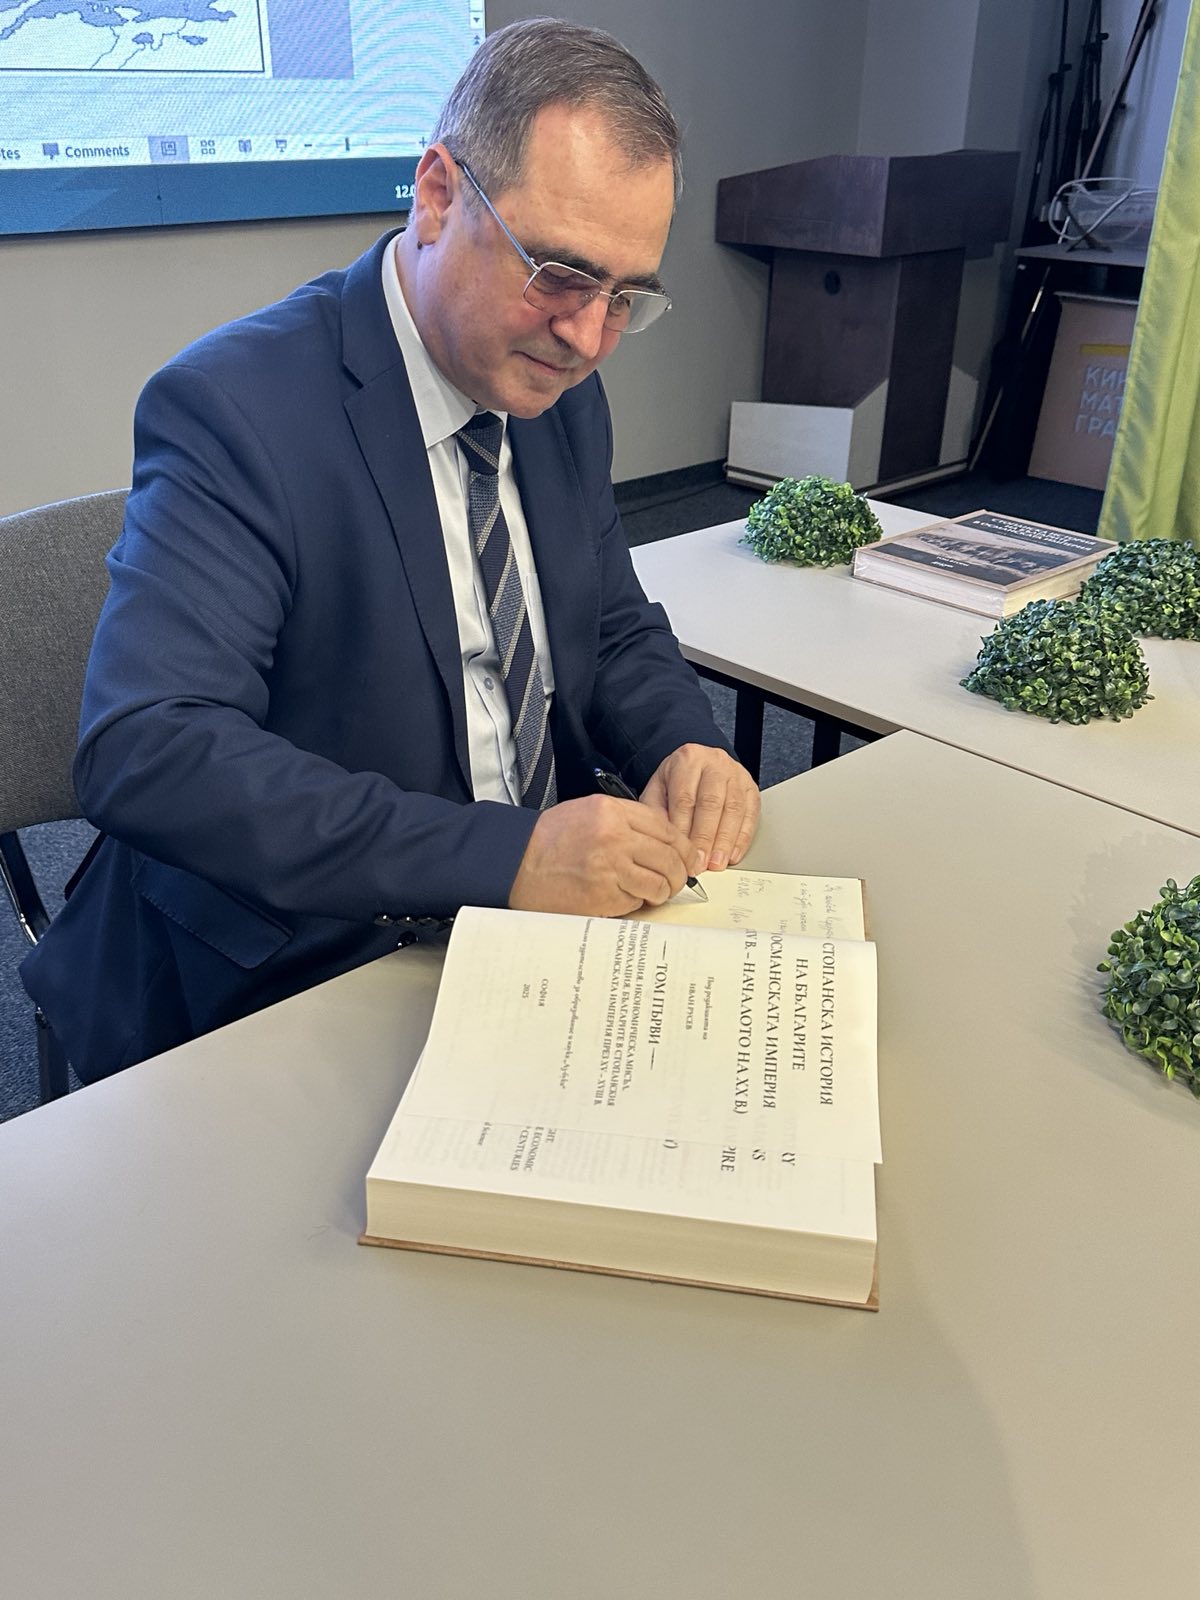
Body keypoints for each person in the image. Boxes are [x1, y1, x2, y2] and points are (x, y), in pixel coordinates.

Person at [21, 18, 760, 1083]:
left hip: (535, 924)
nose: (590, 338)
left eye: (625, 297)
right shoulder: (238, 410)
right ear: (439, 194)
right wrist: (510, 856)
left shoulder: (556, 391)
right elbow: (151, 748)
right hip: (304, 956)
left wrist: (684, 747)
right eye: (560, 273)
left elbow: (607, 622)